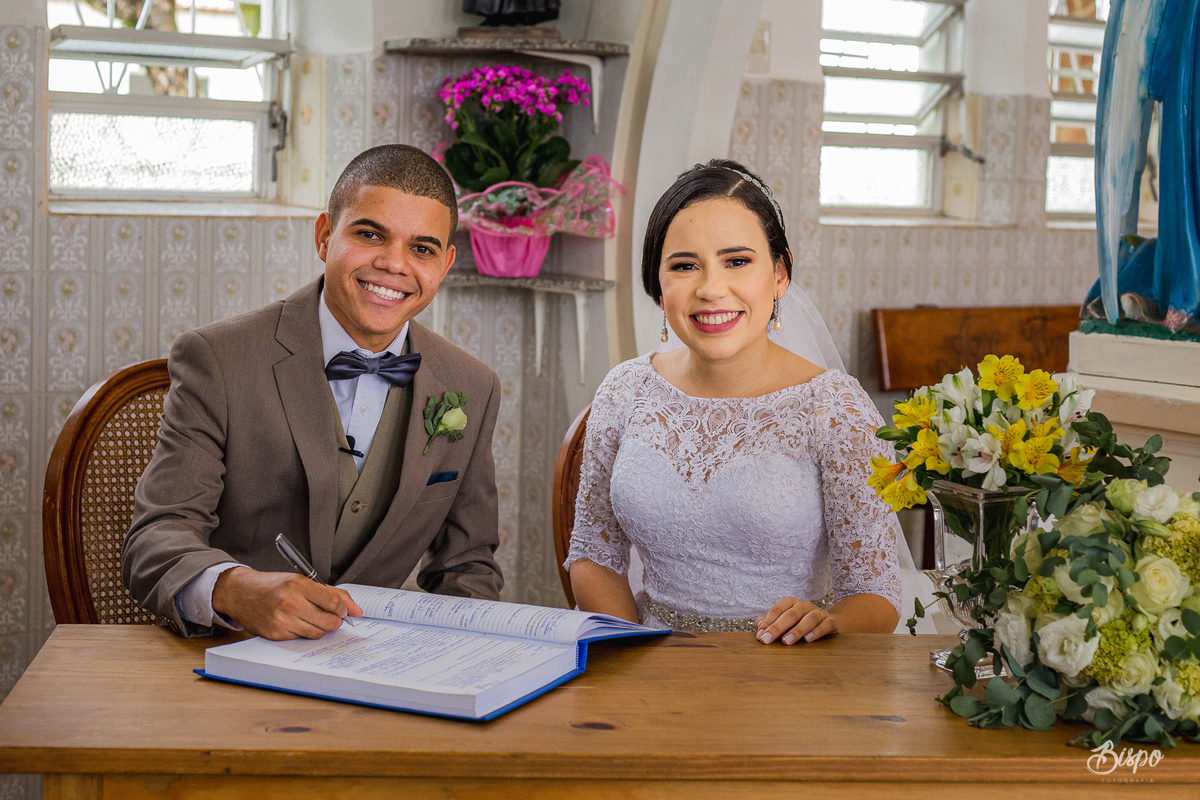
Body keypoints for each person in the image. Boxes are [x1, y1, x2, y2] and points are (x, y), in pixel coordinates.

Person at [123, 144, 503, 640]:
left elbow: (468, 568)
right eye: (371, 234)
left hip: (381, 674)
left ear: (446, 264)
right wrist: (237, 590)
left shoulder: (473, 386)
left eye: (422, 248)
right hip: (228, 656)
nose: (394, 265)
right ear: (324, 236)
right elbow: (156, 537)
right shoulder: (216, 358)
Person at [565, 159, 901, 644]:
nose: (710, 289)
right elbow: (594, 556)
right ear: (658, 286)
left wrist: (832, 624)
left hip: (789, 676)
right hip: (651, 668)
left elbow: (874, 593)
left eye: (737, 262)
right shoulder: (625, 391)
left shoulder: (834, 409)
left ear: (780, 275)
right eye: (684, 266)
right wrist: (634, 654)